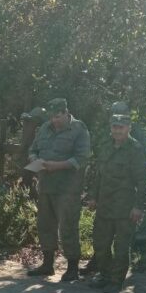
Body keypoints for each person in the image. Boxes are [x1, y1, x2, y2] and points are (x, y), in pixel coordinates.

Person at [82, 101, 146, 276]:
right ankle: (104, 275)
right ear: (110, 127)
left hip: (124, 206)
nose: (117, 130)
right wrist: (92, 197)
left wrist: (138, 206)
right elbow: (99, 174)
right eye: (114, 127)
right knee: (100, 243)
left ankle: (116, 280)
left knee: (121, 248)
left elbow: (143, 181)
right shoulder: (106, 145)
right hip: (105, 204)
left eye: (121, 127)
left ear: (128, 128)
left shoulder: (135, 149)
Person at [26, 97, 91, 281]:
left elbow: (82, 158)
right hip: (46, 185)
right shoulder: (45, 128)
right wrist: (33, 159)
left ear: (65, 112)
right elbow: (33, 149)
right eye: (52, 117)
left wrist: (58, 165)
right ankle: (47, 264)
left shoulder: (79, 129)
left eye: (57, 117)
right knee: (45, 225)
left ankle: (72, 268)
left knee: (68, 227)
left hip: (67, 189)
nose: (54, 121)